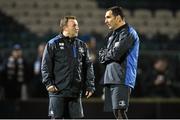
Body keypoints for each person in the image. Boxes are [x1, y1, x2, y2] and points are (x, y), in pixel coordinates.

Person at [41, 16, 95, 119]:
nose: (77, 28)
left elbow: (88, 66)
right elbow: (45, 66)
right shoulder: (53, 44)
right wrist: (49, 84)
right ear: (65, 27)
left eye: (77, 25)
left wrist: (90, 85)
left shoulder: (81, 45)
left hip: (75, 93)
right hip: (57, 92)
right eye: (74, 25)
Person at [99, 6, 140, 119]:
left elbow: (116, 54)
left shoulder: (128, 33)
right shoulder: (111, 35)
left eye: (108, 17)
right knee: (116, 112)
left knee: (119, 112)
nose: (105, 21)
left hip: (122, 77)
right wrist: (108, 54)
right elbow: (101, 55)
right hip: (111, 77)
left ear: (118, 18)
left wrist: (107, 54)